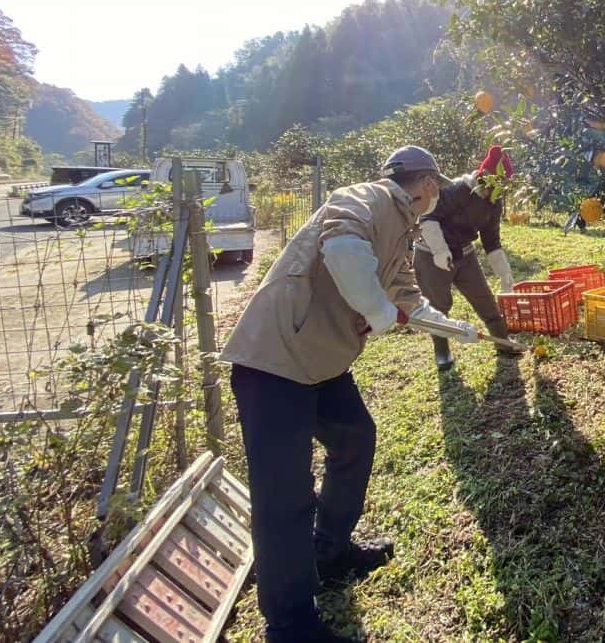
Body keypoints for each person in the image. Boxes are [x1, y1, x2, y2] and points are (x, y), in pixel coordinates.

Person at [221, 146, 479, 643]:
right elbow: (343, 254)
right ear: (425, 183)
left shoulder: (401, 227)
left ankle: (330, 551)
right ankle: (291, 626)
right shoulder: (363, 198)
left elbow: (409, 299)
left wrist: (458, 329)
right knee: (284, 498)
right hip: (274, 363)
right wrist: (381, 315)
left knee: (355, 439)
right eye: (435, 187)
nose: (436, 196)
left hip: (320, 364)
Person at [415, 145, 528, 370]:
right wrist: (439, 250)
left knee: (483, 299)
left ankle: (503, 342)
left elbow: (491, 241)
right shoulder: (458, 190)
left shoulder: (494, 205)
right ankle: (442, 351)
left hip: (465, 255)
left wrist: (505, 274)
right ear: (482, 177)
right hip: (432, 255)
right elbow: (428, 216)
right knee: (439, 305)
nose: (490, 192)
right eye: (488, 185)